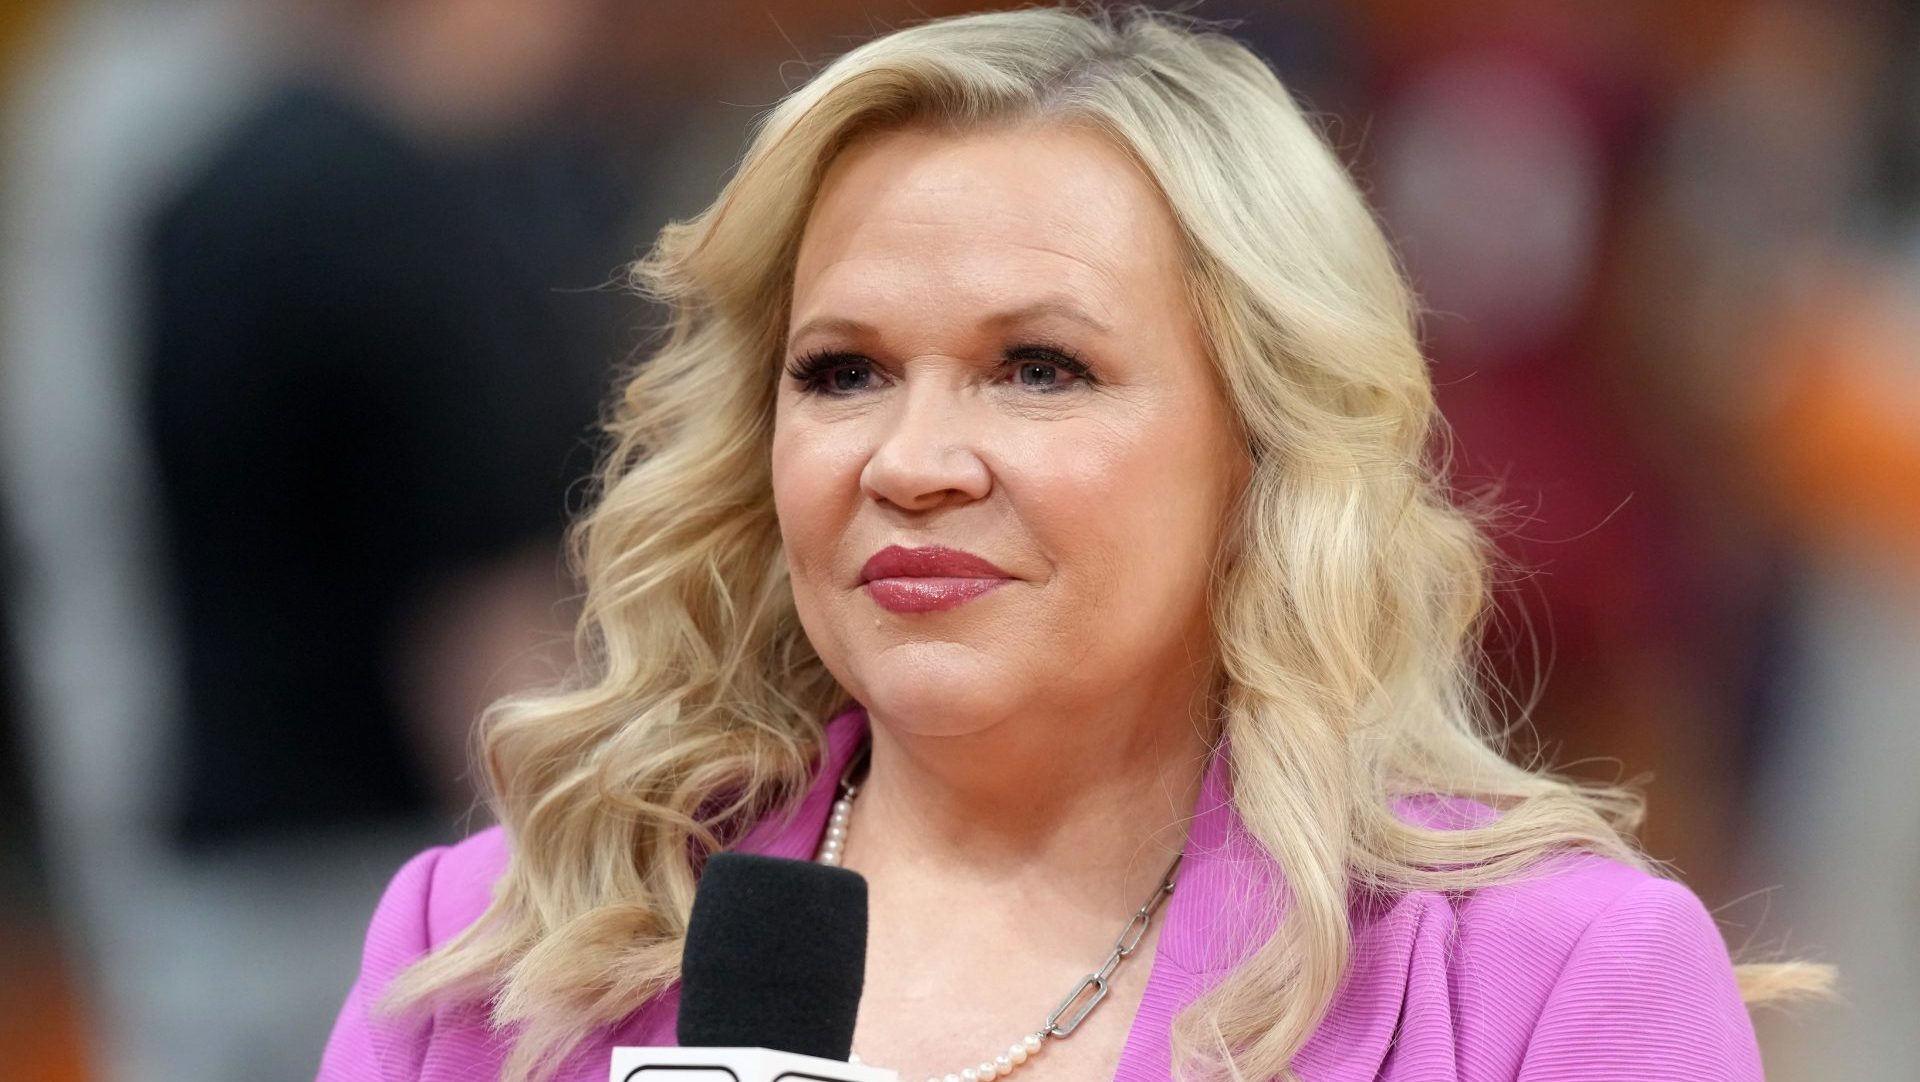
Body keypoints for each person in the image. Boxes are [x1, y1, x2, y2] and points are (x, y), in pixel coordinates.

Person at [318, 8, 1829, 1082]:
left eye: (1039, 367)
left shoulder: (1545, 975)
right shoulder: (493, 950)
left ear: (1263, 443)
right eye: (841, 371)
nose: (910, 462)